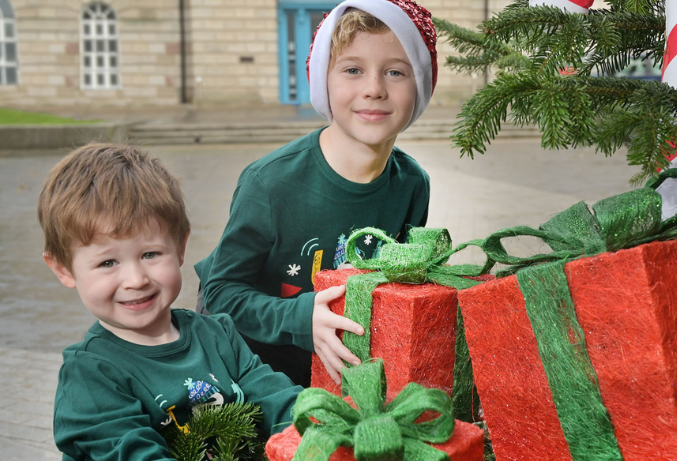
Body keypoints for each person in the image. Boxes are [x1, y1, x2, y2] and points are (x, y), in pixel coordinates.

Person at [194, 0, 436, 387]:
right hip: (253, 369)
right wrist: (301, 317)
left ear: (421, 85)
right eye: (353, 70)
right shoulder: (270, 183)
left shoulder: (412, 185)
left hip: (339, 363)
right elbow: (221, 293)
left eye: (395, 72)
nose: (374, 89)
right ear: (323, 81)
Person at [39, 143, 303, 460]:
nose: (136, 279)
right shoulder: (91, 375)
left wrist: (315, 425)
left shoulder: (218, 335)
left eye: (150, 254)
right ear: (63, 269)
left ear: (180, 246)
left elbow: (276, 397)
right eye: (108, 263)